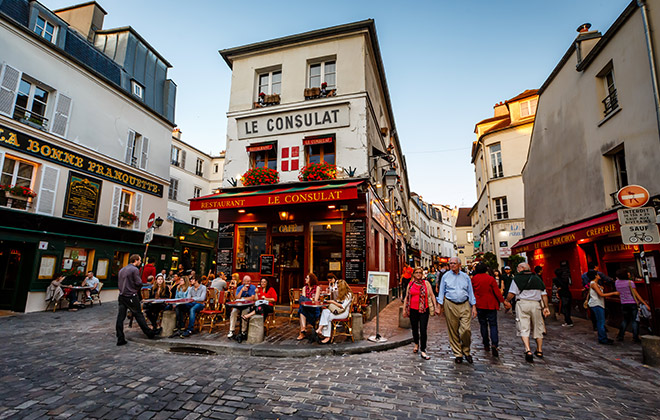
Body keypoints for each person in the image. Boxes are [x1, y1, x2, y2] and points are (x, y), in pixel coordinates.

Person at [505, 263, 550, 362]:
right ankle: (539, 350)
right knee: (538, 326)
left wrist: (507, 301)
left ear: (522, 269)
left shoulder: (517, 279)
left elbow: (512, 293)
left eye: (518, 268)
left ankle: (528, 349)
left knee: (523, 326)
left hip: (522, 304)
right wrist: (546, 307)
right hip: (536, 304)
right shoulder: (537, 278)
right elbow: (544, 294)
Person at [436, 257, 477, 364]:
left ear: (459, 264)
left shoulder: (465, 277)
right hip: (450, 304)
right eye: (450, 263)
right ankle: (458, 353)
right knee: (453, 330)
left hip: (464, 304)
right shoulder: (446, 276)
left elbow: (470, 291)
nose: (452, 265)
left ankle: (466, 351)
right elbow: (441, 291)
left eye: (454, 263)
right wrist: (439, 305)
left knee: (466, 330)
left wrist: (474, 306)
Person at [116, 254, 159, 345]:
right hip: (131, 295)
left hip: (122, 296)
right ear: (135, 260)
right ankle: (149, 333)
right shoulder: (134, 270)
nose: (140, 262)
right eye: (139, 260)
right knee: (139, 315)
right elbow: (138, 282)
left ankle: (120, 337)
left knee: (120, 317)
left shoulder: (122, 270)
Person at [471, 262, 504, 357]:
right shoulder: (490, 279)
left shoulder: (474, 279)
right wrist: (503, 301)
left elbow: (472, 291)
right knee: (493, 325)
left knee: (483, 325)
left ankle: (486, 344)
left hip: (479, 304)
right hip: (490, 304)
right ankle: (494, 344)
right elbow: (497, 292)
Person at [403, 267, 436, 360]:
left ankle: (423, 349)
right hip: (413, 310)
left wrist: (436, 306)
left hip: (424, 310)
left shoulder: (426, 283)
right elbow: (406, 297)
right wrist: (404, 310)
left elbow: (432, 295)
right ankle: (416, 344)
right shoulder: (411, 284)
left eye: (420, 273)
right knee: (414, 328)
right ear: (413, 274)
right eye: (416, 272)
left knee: (423, 329)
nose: (418, 274)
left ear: (422, 274)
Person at [615, 268, 650, 343]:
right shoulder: (630, 282)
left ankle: (620, 335)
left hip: (623, 303)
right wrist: (645, 304)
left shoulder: (617, 282)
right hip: (632, 303)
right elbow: (636, 294)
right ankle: (635, 337)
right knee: (635, 320)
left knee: (625, 320)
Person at [317, 279, 354, 344]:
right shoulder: (342, 293)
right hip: (338, 311)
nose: (337, 289)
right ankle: (320, 329)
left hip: (344, 313)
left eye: (338, 287)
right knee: (325, 311)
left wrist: (332, 302)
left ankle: (327, 337)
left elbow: (343, 306)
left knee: (328, 316)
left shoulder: (349, 294)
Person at [587, 271, 620, 345]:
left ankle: (603, 337)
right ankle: (603, 339)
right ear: (595, 276)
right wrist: (614, 293)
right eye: (598, 274)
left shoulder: (595, 284)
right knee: (601, 322)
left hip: (598, 304)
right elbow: (601, 294)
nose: (599, 276)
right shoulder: (594, 284)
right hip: (597, 304)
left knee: (600, 321)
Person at [297, 273, 321, 341]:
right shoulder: (304, 288)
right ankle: (303, 328)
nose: (305, 279)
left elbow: (315, 300)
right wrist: (309, 300)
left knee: (301, 305)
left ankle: (302, 332)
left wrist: (307, 300)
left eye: (307, 278)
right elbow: (304, 301)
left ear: (311, 279)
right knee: (302, 307)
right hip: (306, 307)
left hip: (314, 308)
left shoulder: (317, 288)